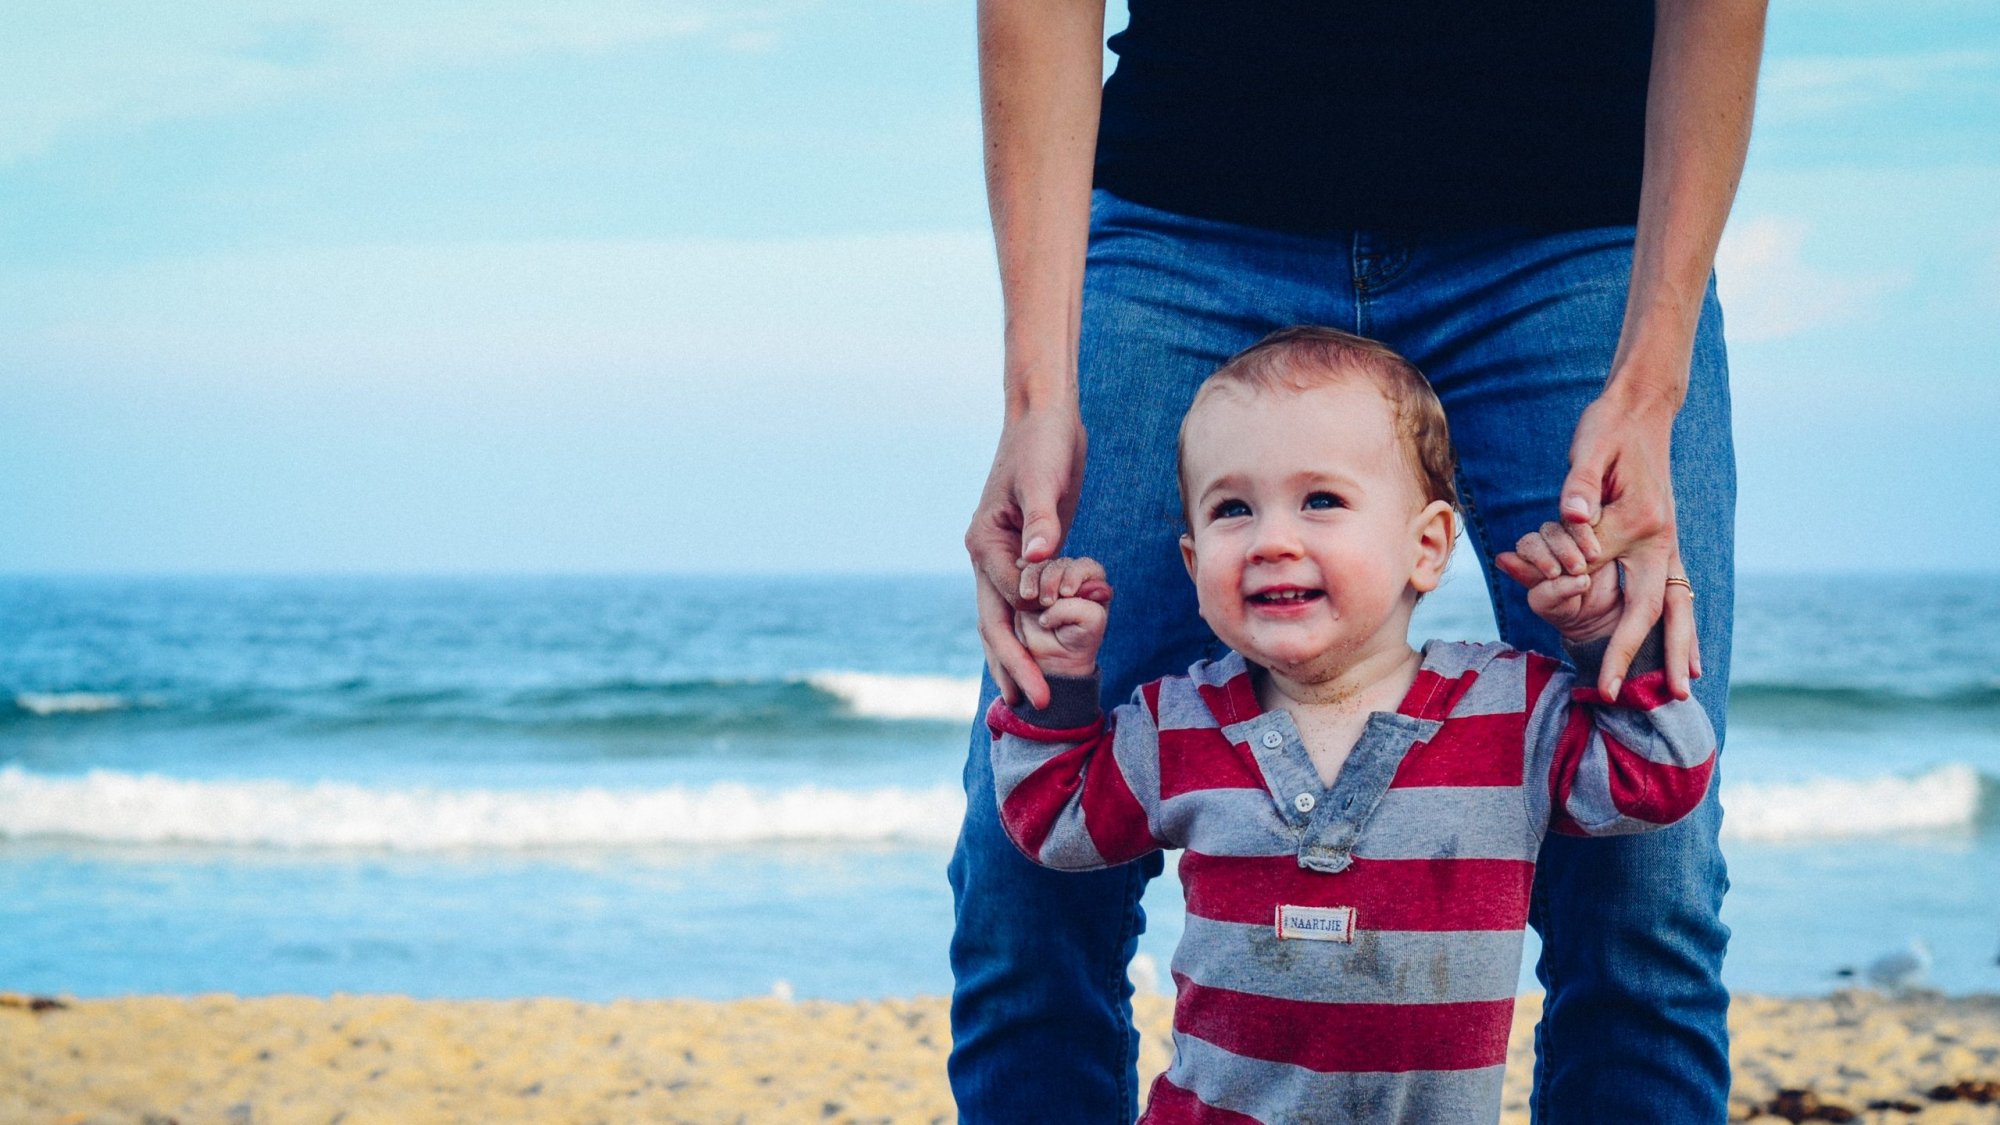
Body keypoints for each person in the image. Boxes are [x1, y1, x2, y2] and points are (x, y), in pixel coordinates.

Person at [952, 1, 1765, 1121]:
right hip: (1183, 220)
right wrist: (1037, 396)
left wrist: (1648, 382)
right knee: (1020, 889)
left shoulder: (1503, 717)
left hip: (1577, 231)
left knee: (1646, 894)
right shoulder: (1167, 739)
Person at [985, 328, 1717, 1124]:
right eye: (1233, 508)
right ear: (1194, 566)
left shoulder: (1511, 712)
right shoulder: (1176, 724)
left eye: (1321, 500)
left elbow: (1661, 776)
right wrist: (1060, 684)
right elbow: (1052, 820)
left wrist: (1611, 639)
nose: (1272, 540)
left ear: (1427, 546)